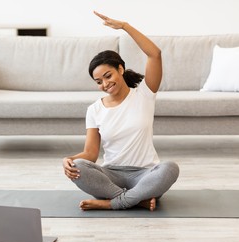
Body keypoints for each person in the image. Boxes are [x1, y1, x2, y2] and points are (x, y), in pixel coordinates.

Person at [62, 11, 179, 211]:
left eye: (108, 76)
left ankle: (113, 203)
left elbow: (155, 54)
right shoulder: (94, 110)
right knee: (80, 167)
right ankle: (136, 200)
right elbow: (90, 153)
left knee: (170, 168)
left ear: (120, 69)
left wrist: (124, 26)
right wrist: (69, 160)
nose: (105, 84)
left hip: (145, 174)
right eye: (99, 82)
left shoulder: (145, 93)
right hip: (112, 176)